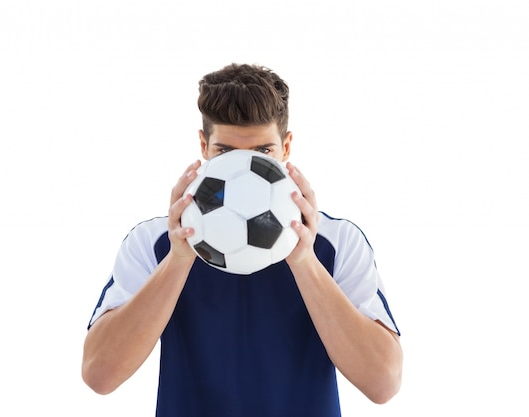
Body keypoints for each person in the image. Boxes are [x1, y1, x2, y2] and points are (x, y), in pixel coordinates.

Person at [82, 63, 402, 416]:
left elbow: (383, 383)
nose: (242, 173)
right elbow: (100, 375)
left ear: (287, 147)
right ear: (203, 146)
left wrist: (304, 261)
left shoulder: (337, 242)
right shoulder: (156, 243)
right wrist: (178, 260)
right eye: (225, 153)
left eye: (262, 153)